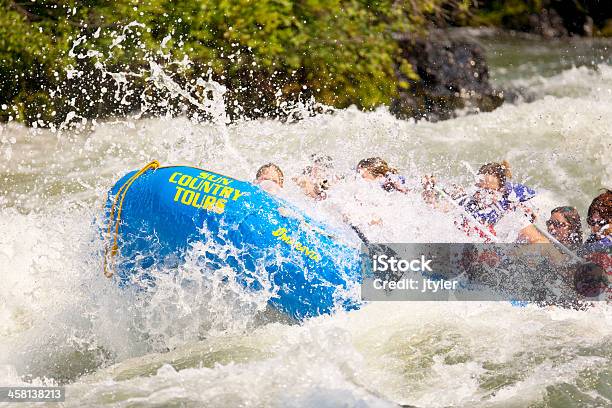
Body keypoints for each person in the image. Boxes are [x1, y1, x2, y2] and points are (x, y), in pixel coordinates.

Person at [423, 160, 545, 243]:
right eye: (480, 188)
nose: (483, 193)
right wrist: (428, 189)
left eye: (489, 190)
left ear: (501, 190)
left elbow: (540, 242)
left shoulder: (508, 213)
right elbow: (434, 206)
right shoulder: (467, 202)